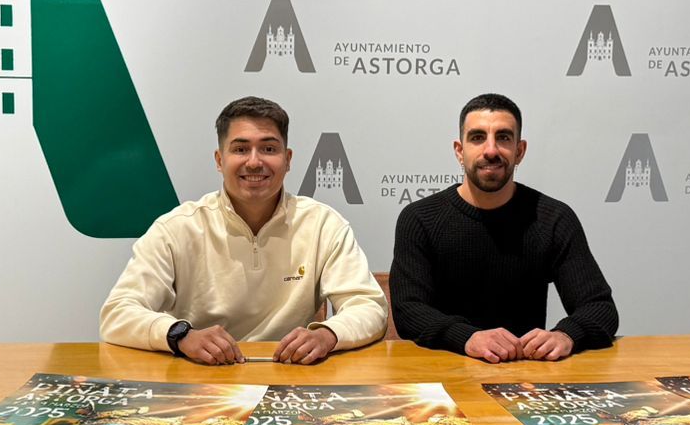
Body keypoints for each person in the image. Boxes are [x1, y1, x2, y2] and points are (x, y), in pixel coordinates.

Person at [101, 96, 387, 364]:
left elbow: (369, 307)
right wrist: (180, 335)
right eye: (240, 149)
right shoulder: (176, 228)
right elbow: (118, 313)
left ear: (287, 159)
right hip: (199, 376)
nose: (254, 161)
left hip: (290, 374)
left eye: (268, 148)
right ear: (219, 160)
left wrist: (328, 335)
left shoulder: (323, 224)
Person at [390, 92, 618, 362]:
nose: (491, 150)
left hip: (524, 375)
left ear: (519, 151)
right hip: (441, 373)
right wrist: (467, 337)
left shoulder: (553, 218)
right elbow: (409, 311)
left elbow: (600, 307)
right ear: (459, 151)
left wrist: (566, 335)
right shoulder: (419, 218)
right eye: (477, 137)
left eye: (503, 137)